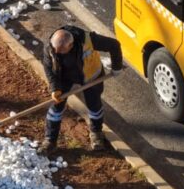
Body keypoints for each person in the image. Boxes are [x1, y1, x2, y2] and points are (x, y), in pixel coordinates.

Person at [41, 25, 123, 154]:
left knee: (94, 105)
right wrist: (54, 88)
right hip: (64, 77)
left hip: (91, 76)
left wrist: (116, 67)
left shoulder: (89, 40)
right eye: (55, 50)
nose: (57, 53)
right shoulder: (50, 47)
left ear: (71, 45)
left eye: (61, 51)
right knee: (56, 107)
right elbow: (48, 68)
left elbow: (114, 44)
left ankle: (96, 133)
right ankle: (50, 140)